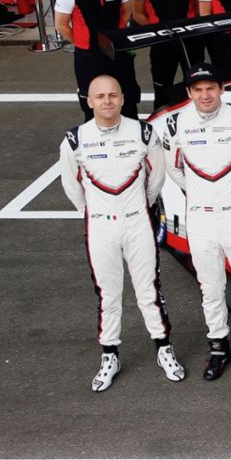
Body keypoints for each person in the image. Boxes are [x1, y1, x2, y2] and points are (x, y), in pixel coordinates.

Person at [59, 75, 184, 391]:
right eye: (99, 96)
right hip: (100, 225)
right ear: (89, 101)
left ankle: (164, 348)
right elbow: (72, 187)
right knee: (108, 293)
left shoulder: (143, 133)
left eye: (113, 94)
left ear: (123, 98)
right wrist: (97, 212)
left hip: (137, 221)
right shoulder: (74, 140)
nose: (106, 101)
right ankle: (109, 354)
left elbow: (155, 180)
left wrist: (139, 207)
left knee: (149, 290)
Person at [162, 63, 231, 381]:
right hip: (201, 218)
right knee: (210, 287)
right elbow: (174, 170)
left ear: (221, 89)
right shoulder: (175, 125)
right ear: (189, 93)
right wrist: (202, 194)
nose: (205, 95)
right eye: (197, 90)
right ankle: (218, 347)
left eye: (210, 88)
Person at [54, 0, 141, 121]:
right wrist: (83, 44)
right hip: (88, 56)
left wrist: (115, 37)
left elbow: (126, 10)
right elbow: (61, 25)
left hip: (119, 51)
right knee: (92, 104)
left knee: (128, 98)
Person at [128, 0, 199, 108]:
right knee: (161, 88)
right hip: (161, 43)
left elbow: (198, 7)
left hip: (189, 40)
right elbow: (137, 13)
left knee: (196, 84)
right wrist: (157, 33)